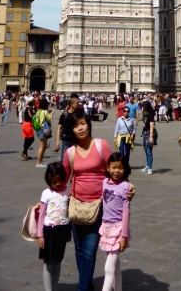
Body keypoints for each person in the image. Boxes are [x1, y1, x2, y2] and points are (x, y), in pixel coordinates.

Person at [62, 112, 118, 291]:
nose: (80, 128)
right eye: (76, 125)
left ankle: (83, 288)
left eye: (83, 123)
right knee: (79, 251)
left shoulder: (101, 145)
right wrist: (46, 200)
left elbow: (114, 170)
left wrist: (125, 188)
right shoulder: (69, 152)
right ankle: (86, 284)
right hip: (77, 205)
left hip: (99, 205)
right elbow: (62, 180)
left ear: (88, 125)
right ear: (72, 130)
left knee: (89, 251)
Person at [99, 152, 131, 291]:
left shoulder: (125, 186)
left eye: (120, 168)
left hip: (118, 229)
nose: (117, 171)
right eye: (114, 167)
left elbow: (126, 211)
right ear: (108, 167)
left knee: (108, 268)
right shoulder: (104, 182)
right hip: (106, 227)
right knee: (115, 266)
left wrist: (123, 236)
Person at [37, 162, 71, 290]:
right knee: (49, 262)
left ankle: (55, 287)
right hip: (49, 231)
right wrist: (40, 235)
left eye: (60, 180)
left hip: (62, 229)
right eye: (54, 181)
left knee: (58, 261)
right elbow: (41, 215)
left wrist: (69, 232)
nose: (58, 184)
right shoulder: (46, 193)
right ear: (49, 179)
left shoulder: (68, 191)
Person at [56, 94, 80, 161]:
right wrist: (57, 141)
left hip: (76, 140)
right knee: (64, 160)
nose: (78, 105)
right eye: (77, 103)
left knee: (75, 161)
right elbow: (59, 128)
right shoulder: (64, 115)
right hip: (66, 140)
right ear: (72, 105)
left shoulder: (78, 115)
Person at [34, 98, 54, 168]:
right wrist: (51, 113)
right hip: (43, 129)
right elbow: (49, 118)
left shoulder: (38, 111)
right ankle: (38, 163)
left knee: (44, 146)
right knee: (41, 146)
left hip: (39, 129)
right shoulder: (45, 112)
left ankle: (41, 161)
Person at [140, 101, 156, 175]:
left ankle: (150, 168)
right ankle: (147, 165)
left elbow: (152, 126)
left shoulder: (150, 114)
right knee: (146, 151)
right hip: (145, 132)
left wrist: (151, 137)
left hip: (149, 133)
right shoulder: (146, 114)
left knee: (149, 151)